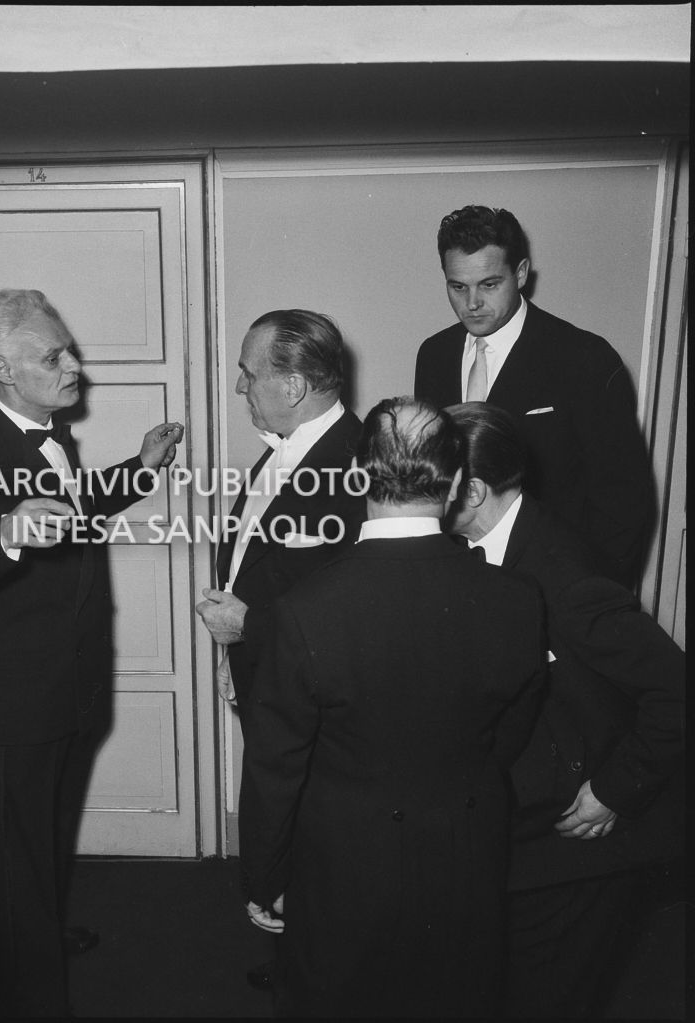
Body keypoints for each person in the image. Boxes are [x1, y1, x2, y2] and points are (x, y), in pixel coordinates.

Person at [239, 397, 546, 1018]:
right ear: (456, 482)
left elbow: (275, 769)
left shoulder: (302, 611)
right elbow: (513, 727)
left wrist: (265, 877)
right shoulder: (517, 598)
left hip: (343, 862)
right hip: (468, 847)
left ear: (357, 478)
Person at [0, 288, 182, 1018]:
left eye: (67, 349)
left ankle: (34, 943)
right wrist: (5, 532)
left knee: (39, 846)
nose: (73, 366)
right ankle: (21, 995)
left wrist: (139, 468)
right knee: (13, 866)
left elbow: (68, 508)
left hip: (64, 688)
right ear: (3, 369)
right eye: (53, 355)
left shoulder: (49, 437)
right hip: (11, 703)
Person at [445, 401, 685, 1019]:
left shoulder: (562, 573)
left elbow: (677, 686)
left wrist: (615, 791)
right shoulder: (481, 548)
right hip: (528, 827)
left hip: (586, 842)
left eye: (429, 481)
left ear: (471, 490)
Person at [195, 308, 366, 991]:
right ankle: (302, 955)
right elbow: (258, 565)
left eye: (249, 372)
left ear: (293, 384)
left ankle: (323, 969)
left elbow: (353, 615)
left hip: (318, 703)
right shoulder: (281, 447)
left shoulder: (359, 465)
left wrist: (251, 628)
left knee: (321, 839)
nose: (241, 386)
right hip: (264, 682)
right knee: (288, 831)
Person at [414, 205, 653, 587]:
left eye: (489, 284)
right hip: (456, 583)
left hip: (553, 583)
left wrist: (592, 601)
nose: (472, 302)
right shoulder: (434, 354)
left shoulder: (583, 357)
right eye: (458, 287)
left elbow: (622, 498)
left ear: (521, 274)